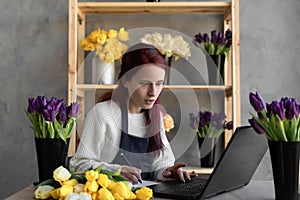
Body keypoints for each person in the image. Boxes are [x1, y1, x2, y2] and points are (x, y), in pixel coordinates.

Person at [70, 43, 193, 183]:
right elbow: (78, 166)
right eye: (145, 83)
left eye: (159, 83)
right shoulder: (102, 114)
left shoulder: (155, 115)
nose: (153, 92)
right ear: (125, 81)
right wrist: (114, 171)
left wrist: (167, 172)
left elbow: (160, 165)